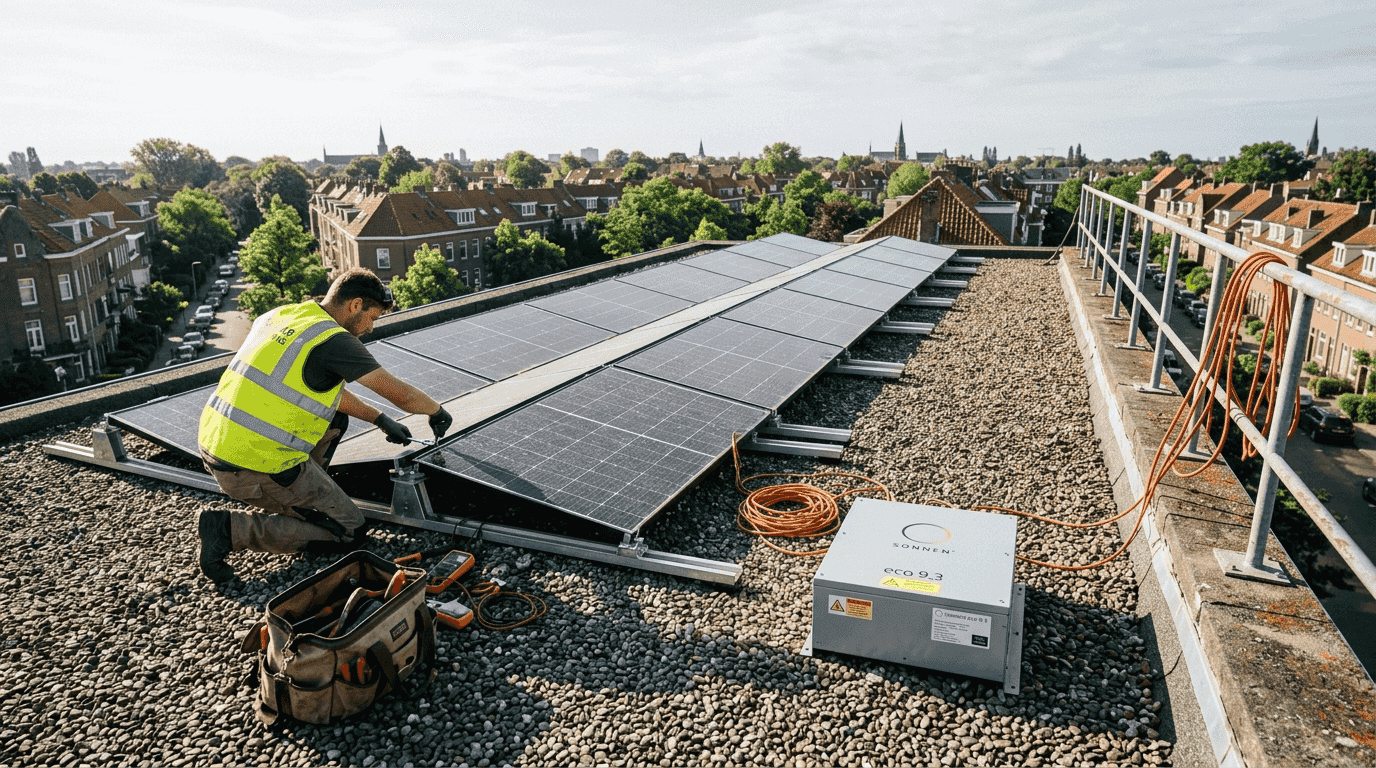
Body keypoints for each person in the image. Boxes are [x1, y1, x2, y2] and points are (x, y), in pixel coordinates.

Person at [195, 267, 453, 582]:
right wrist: (436, 411)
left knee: (336, 418)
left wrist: (380, 419)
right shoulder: (334, 341)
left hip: (219, 442)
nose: (370, 328)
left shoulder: (285, 315)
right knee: (350, 530)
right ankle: (228, 529)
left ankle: (310, 497)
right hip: (254, 464)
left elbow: (316, 390)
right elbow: (399, 393)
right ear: (356, 305)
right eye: (372, 317)